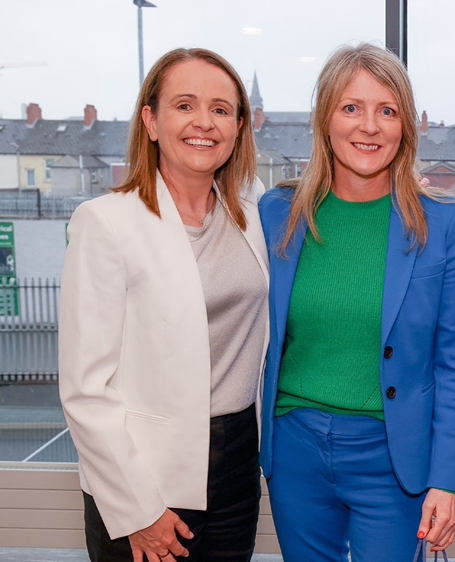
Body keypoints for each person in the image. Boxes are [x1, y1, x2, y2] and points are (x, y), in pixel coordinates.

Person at [257, 43, 455, 562]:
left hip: (394, 456)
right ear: (325, 119)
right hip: (295, 449)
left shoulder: (442, 223)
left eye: (387, 110)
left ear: (405, 126)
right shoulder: (279, 212)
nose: (369, 126)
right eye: (351, 107)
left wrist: (448, 480)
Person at [59, 48, 268, 562]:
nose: (204, 122)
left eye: (221, 109)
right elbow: (86, 389)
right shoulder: (105, 223)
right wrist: (138, 510)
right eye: (185, 105)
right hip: (147, 477)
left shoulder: (254, 206)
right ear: (151, 120)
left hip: (239, 458)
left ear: (239, 127)